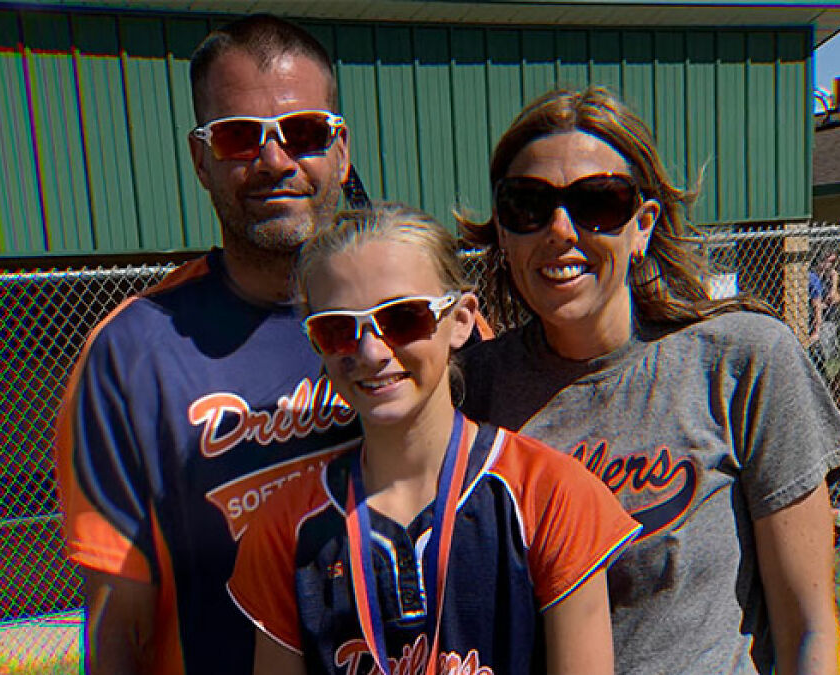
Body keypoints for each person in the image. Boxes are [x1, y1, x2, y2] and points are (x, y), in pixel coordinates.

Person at [459, 86, 840, 675]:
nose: (560, 230)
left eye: (598, 202)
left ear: (642, 226)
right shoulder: (469, 391)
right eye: (528, 205)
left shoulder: (742, 362)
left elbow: (809, 630)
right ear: (502, 229)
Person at [54, 15, 363, 675]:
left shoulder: (415, 321)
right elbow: (118, 619)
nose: (275, 161)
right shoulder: (131, 353)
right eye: (238, 137)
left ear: (340, 150)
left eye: (304, 132)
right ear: (200, 160)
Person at [229, 204, 639, 675]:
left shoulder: (549, 493)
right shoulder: (284, 529)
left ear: (461, 320)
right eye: (338, 329)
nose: (371, 351)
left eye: (403, 318)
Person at [807, 247, 840, 373]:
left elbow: (837, 299)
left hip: (826, 319)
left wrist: (834, 285)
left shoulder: (830, 278)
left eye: (833, 262)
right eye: (829, 262)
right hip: (812, 319)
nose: (830, 266)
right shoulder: (812, 277)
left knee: (824, 355)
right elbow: (816, 304)